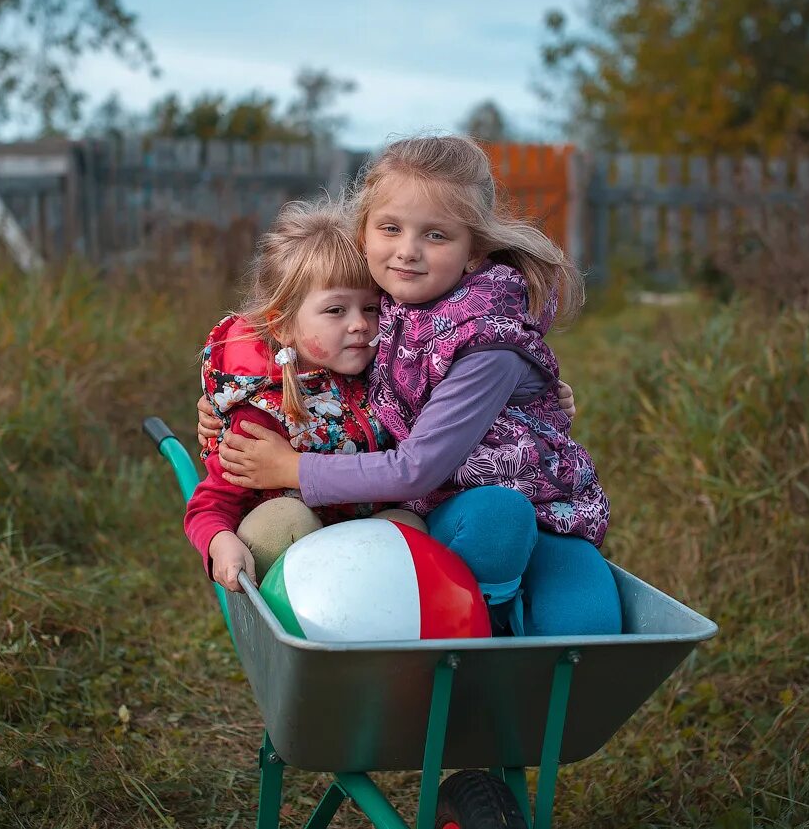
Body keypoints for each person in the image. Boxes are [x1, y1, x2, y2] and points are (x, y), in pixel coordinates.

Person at [217, 134, 622, 637]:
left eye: (436, 236)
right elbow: (291, 335)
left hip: (533, 511)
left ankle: (490, 625)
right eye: (390, 228)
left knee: (588, 629)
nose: (407, 251)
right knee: (499, 522)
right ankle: (473, 627)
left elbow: (416, 470)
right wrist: (226, 404)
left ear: (474, 250)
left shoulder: (486, 340)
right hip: (444, 514)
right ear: (364, 234)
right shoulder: (385, 303)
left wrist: (293, 467)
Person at [184, 199, 426, 594]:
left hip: (366, 554)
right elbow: (212, 503)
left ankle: (384, 630)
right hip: (294, 561)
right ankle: (307, 636)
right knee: (282, 519)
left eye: (371, 307)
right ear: (282, 325)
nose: (360, 325)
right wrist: (219, 541)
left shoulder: (390, 377)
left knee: (409, 528)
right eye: (335, 310)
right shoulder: (263, 411)